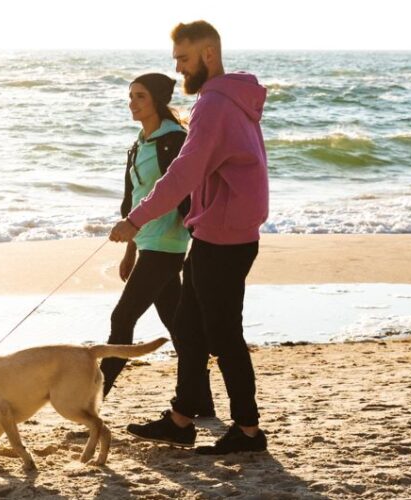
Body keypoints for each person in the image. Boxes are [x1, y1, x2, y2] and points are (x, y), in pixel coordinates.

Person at [107, 19, 273, 456]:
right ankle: (181, 420)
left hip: (224, 234)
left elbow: (183, 172)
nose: (179, 69)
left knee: (223, 334)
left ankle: (249, 431)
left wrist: (136, 221)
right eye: (176, 59)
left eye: (183, 58)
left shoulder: (215, 103)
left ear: (208, 55)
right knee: (188, 326)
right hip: (220, 229)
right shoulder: (232, 99)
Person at [102, 73, 192, 400]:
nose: (132, 103)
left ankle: (93, 399)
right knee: (177, 326)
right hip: (147, 243)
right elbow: (132, 201)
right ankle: (201, 400)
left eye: (140, 96)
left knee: (122, 317)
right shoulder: (138, 144)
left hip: (168, 243)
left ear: (157, 99)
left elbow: (184, 194)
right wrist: (130, 251)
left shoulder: (176, 140)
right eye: (130, 96)